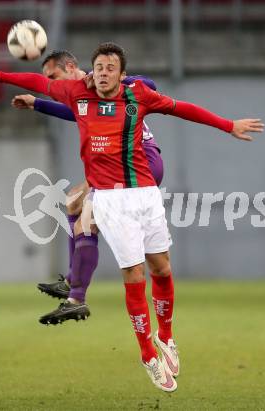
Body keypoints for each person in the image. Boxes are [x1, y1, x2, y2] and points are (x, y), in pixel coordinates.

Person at [0, 42, 264, 392]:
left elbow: (183, 108)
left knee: (162, 269)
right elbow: (36, 81)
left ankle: (165, 335)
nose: (104, 72)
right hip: (111, 200)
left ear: (121, 74)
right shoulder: (75, 91)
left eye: (110, 67)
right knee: (133, 273)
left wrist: (228, 125)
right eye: (100, 67)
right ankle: (146, 354)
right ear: (90, 72)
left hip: (147, 194)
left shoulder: (138, 93)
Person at [10, 50, 165, 326]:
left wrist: (100, 76)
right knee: (73, 201)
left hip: (138, 162)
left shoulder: (103, 80)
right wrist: (37, 103)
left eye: (53, 77)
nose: (52, 84)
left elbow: (149, 84)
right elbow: (76, 114)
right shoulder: (86, 94)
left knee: (84, 222)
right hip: (125, 164)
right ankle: (73, 284)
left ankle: (76, 296)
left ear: (71, 67)